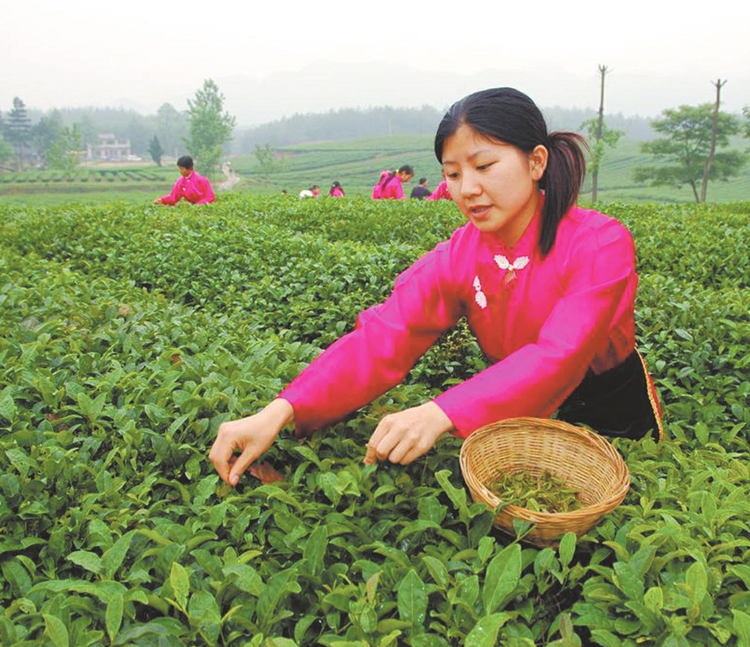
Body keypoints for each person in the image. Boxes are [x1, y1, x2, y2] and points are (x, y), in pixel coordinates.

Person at [209, 87, 663, 487]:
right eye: (453, 174)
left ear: (536, 161)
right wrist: (280, 411)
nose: (468, 189)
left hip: (607, 409)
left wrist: (441, 411)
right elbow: (382, 337)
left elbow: (560, 354)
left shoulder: (599, 242)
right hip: (510, 407)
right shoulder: (458, 256)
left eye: (484, 165)